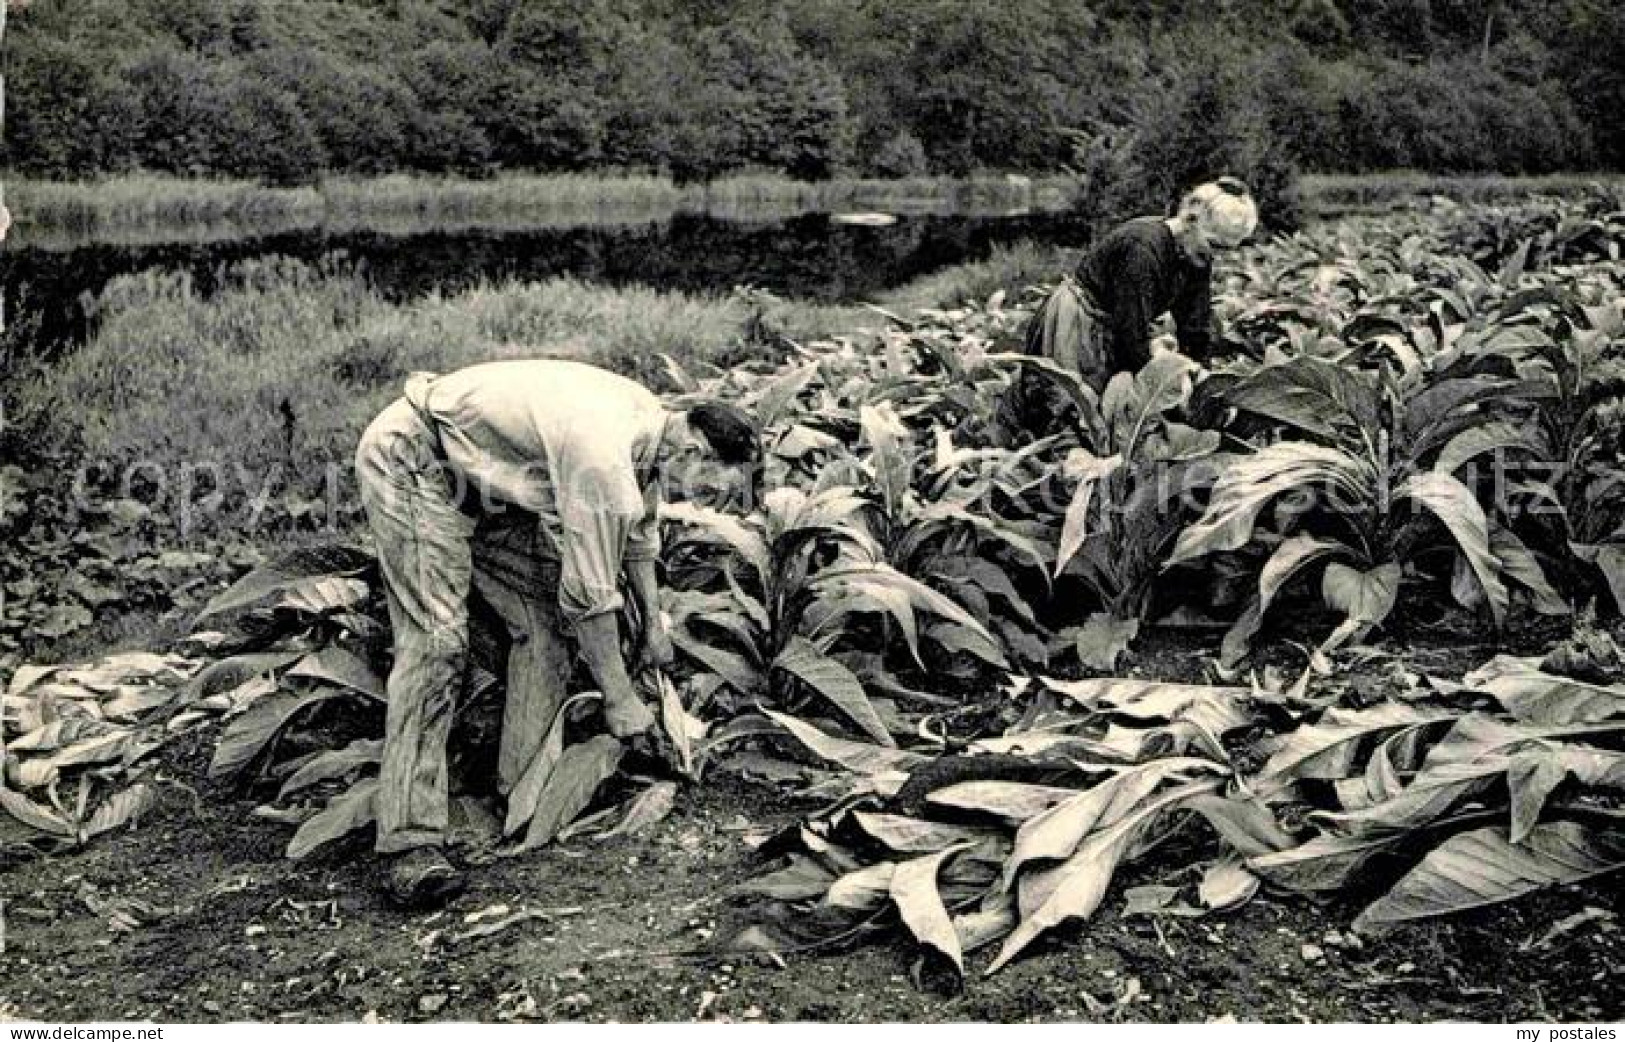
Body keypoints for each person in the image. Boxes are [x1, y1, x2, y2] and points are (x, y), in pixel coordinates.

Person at [354, 358, 760, 907]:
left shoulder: (653, 432)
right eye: (712, 491)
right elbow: (589, 596)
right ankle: (410, 843)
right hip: (415, 460)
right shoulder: (605, 454)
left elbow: (638, 535)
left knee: (544, 621)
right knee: (436, 643)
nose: (708, 506)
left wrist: (653, 628)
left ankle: (520, 791)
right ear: (693, 453)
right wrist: (618, 699)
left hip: (487, 481)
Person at [998, 177, 1260, 441]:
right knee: (1068, 410)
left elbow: (1196, 324)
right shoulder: (1143, 249)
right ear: (1190, 221)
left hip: (1116, 324)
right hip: (1080, 322)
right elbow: (1130, 334)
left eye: (1227, 250)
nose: (1217, 256)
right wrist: (1165, 381)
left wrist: (1202, 380)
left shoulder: (1196, 255)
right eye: (1215, 245)